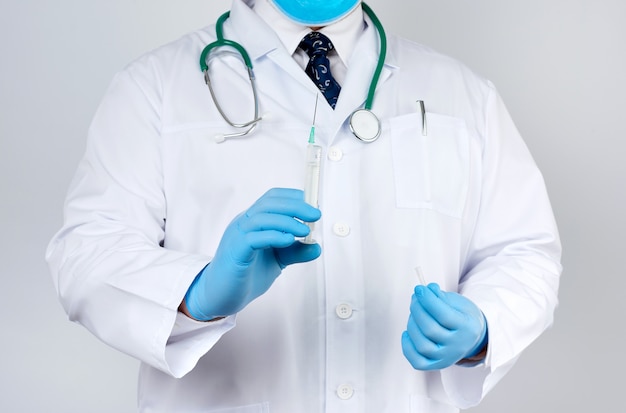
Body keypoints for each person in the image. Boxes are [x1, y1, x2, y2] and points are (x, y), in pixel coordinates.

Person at [46, 0, 562, 412]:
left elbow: (524, 250)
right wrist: (194, 294)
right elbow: (87, 253)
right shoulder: (155, 87)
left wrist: (484, 325)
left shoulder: (462, 93)